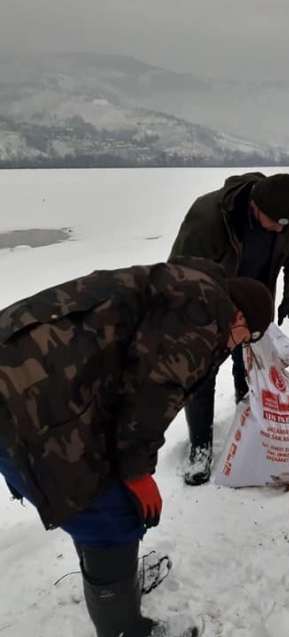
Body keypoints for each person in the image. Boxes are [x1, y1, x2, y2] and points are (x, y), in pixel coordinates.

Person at [0, 257, 274, 637]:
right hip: (25, 400)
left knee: (102, 501)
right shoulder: (204, 313)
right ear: (241, 318)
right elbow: (150, 392)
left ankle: (116, 580)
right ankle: (124, 628)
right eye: (250, 337)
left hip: (33, 377)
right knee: (111, 517)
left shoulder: (191, 287)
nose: (242, 345)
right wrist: (137, 471)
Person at [168, 172, 289, 486]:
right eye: (274, 222)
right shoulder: (208, 218)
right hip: (208, 308)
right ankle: (200, 447)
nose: (280, 229)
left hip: (255, 308)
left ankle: (248, 426)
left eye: (286, 224)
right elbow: (180, 274)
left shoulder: (287, 217)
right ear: (256, 206)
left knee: (250, 368)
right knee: (201, 376)